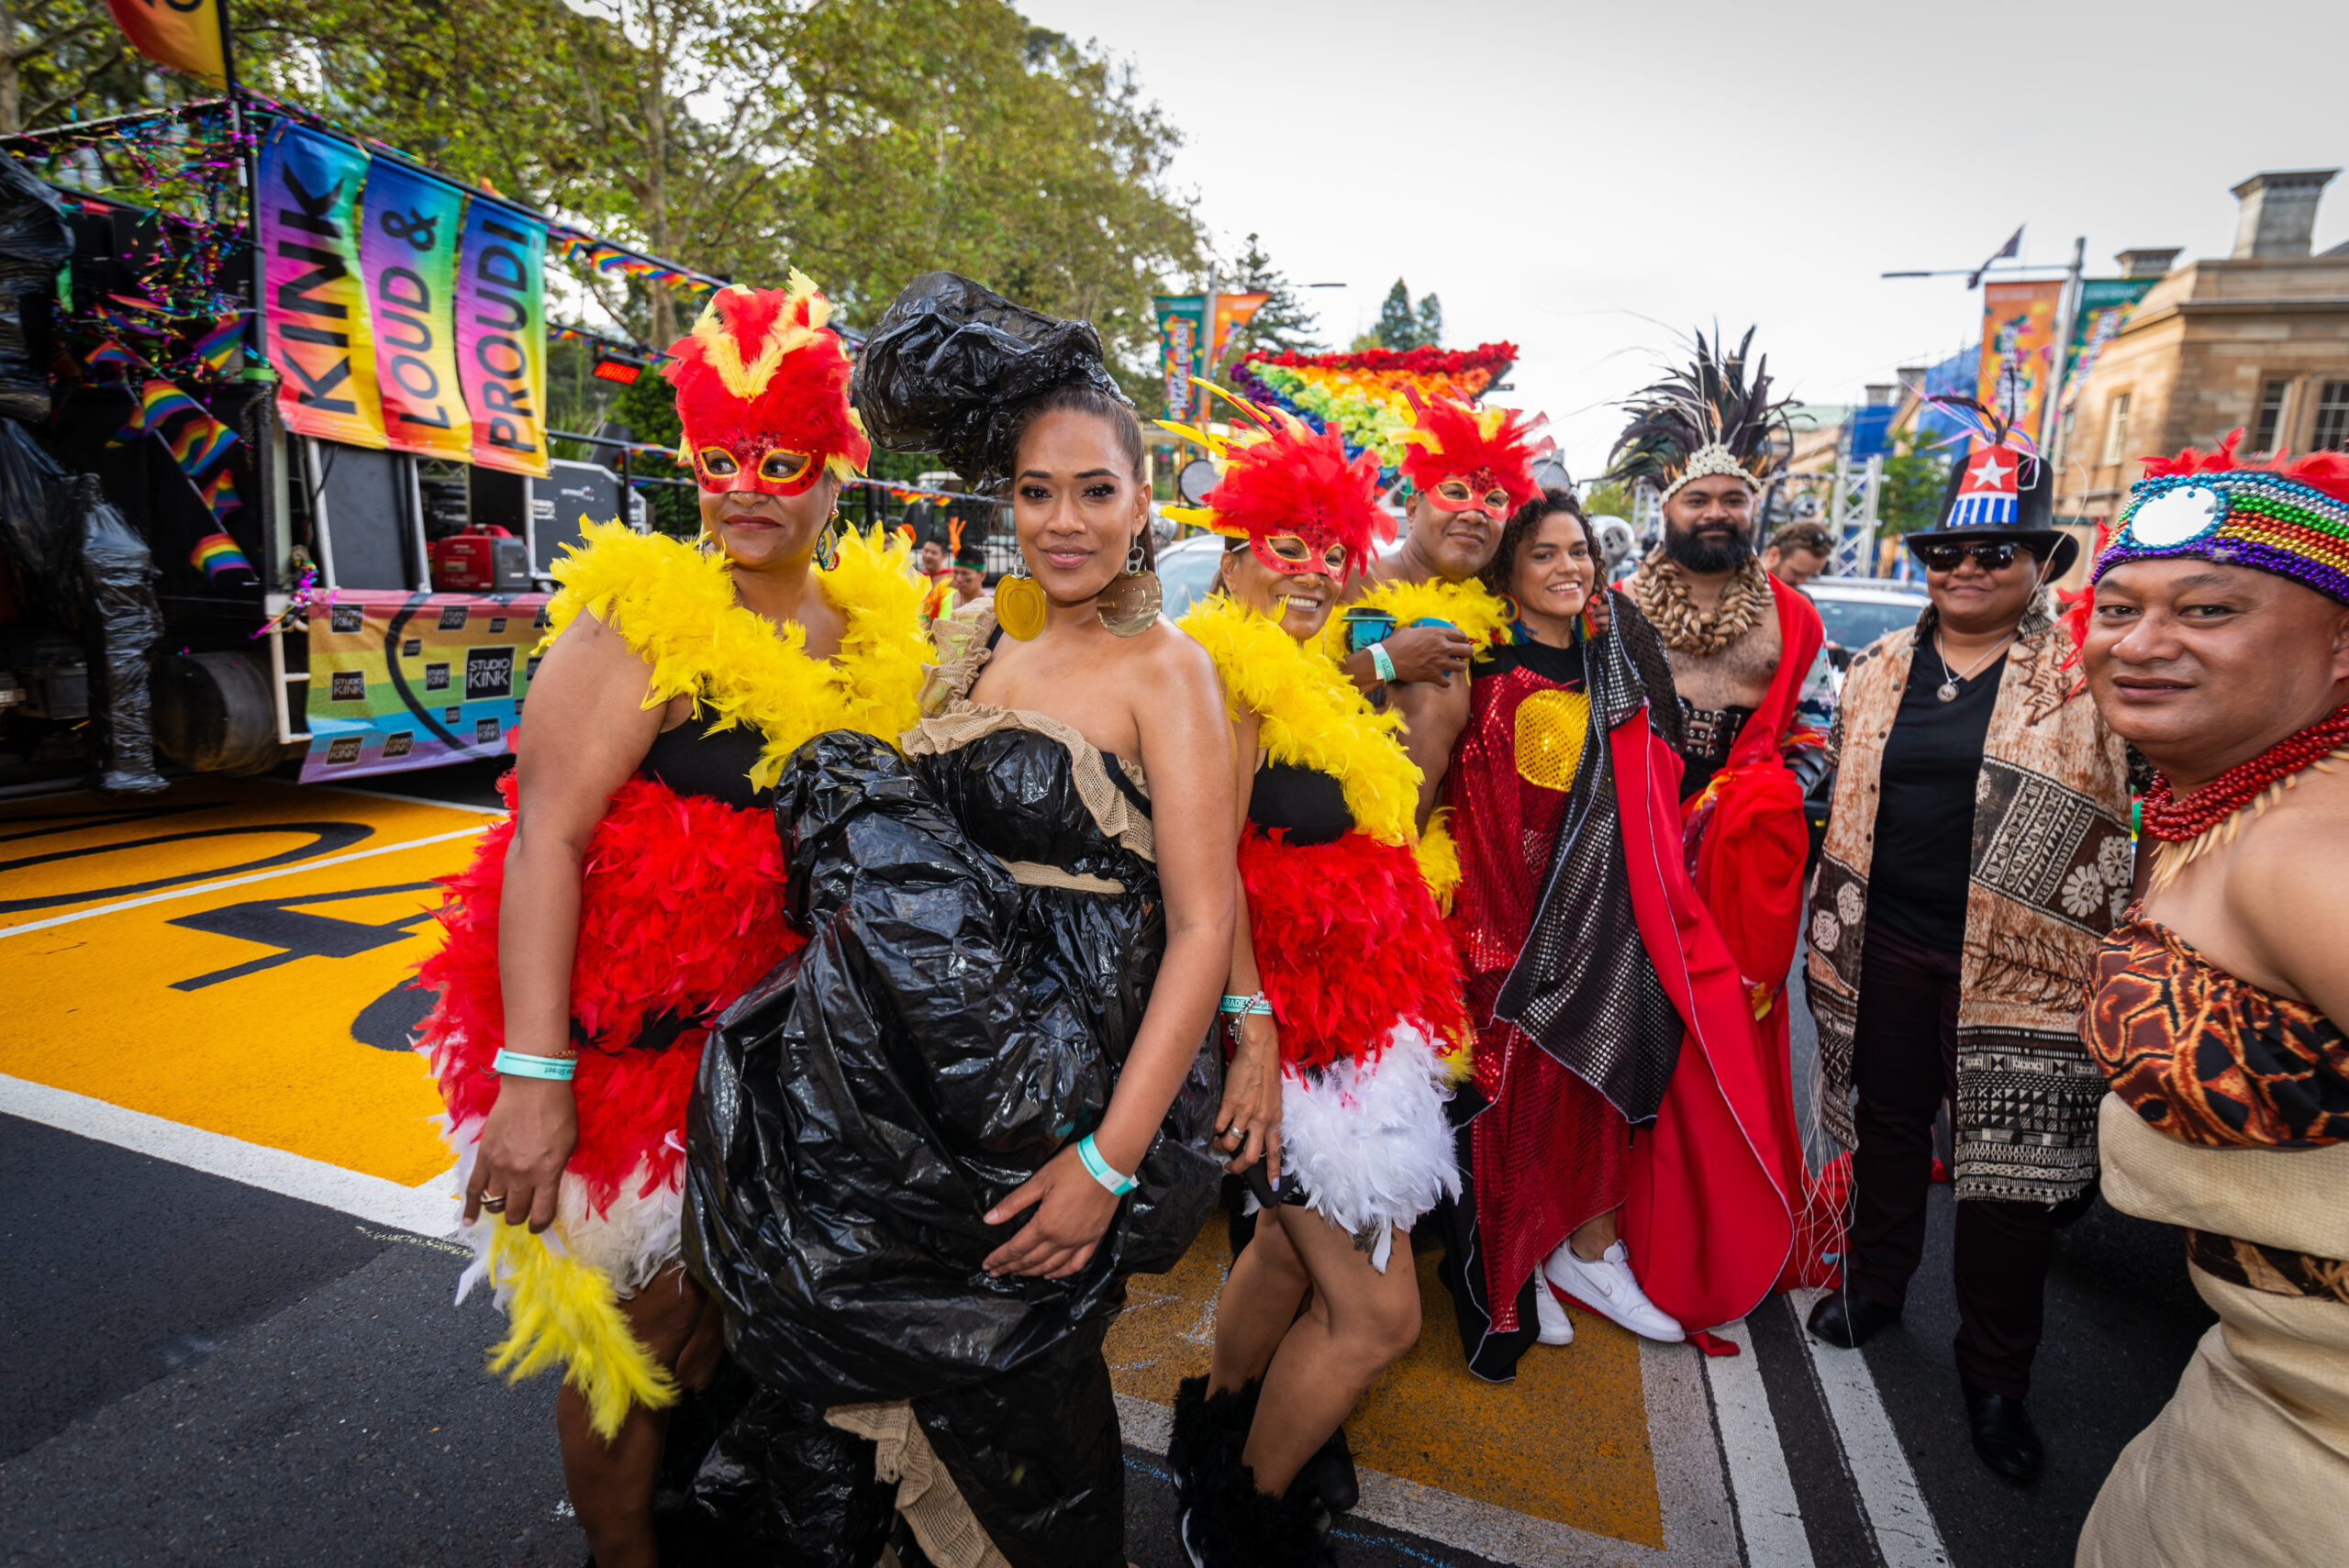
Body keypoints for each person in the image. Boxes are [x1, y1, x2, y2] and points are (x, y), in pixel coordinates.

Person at [681, 272, 1232, 1568]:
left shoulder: (1172, 672)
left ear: (1145, 500)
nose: (1064, 521)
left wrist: (1104, 1165)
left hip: (1053, 1104)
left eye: (1097, 490)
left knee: (1018, 1410)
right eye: (1037, 491)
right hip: (894, 1099)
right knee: (836, 1424)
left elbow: (1204, 927)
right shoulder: (972, 638)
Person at [414, 277, 928, 1568]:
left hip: (774, 1063)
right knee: (630, 1343)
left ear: (835, 473)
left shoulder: (870, 635)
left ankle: (682, 1510)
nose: (745, 487)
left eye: (779, 461)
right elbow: (546, 837)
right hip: (628, 1052)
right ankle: (621, 1551)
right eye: (718, 461)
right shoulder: (638, 621)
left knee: (710, 1326)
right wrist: (534, 1080)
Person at [1800, 406, 2135, 1483]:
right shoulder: (1879, 667)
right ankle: (1877, 1285)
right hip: (1886, 940)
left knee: (2009, 1184)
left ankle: (1996, 1378)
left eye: (1996, 549)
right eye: (1947, 550)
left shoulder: (2088, 679)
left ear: (2040, 562)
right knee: (1889, 1132)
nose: (1966, 568)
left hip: (2027, 971)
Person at [1158, 397, 1467, 1562]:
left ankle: (1222, 1430)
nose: (1315, 568)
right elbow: (1207, 885)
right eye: (1288, 544)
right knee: (1380, 1315)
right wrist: (1255, 1038)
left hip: (1345, 1025)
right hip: (1281, 1039)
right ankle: (1240, 1516)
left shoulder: (1313, 677)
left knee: (1285, 1251)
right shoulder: (1221, 680)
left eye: (1333, 548)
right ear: (1234, 551)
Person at [2073, 437, 2349, 1566]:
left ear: (2340, 649)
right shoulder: (2234, 805)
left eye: (2206, 608)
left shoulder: (2309, 851)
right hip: (2258, 1391)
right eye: (2118, 607)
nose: (2140, 644)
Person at [1597, 328, 1828, 1329]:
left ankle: (1713, 1229)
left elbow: (1796, 733)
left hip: (1732, 861)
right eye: (1698, 497)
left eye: (1733, 498)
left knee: (1720, 1045)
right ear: (1666, 507)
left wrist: (1752, 797)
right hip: (1625, 851)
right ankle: (1602, 1236)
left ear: (1754, 506)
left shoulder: (1795, 617)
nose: (1717, 511)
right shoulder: (1611, 608)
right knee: (1621, 1043)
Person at [1330, 395, 1550, 835]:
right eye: (1454, 492)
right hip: (1328, 876)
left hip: (1426, 883)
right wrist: (1385, 661)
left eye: (1494, 499)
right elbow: (1270, 699)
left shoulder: (1496, 623)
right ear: (1412, 508)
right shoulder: (1348, 579)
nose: (1474, 512)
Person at [1762, 520, 1832, 587]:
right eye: (1796, 573)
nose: (1801, 582)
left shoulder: (1801, 597)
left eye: (1810, 576)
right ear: (1773, 555)